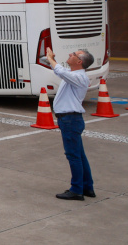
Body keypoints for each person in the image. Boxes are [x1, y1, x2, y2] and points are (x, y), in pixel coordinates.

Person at [46, 47, 95, 200]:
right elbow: (60, 72)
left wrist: (50, 59)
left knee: (73, 155)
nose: (70, 54)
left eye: (74, 54)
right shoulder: (74, 74)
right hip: (70, 119)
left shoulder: (79, 77)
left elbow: (60, 71)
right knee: (79, 155)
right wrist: (52, 60)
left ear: (79, 62)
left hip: (70, 120)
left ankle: (77, 190)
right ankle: (87, 187)